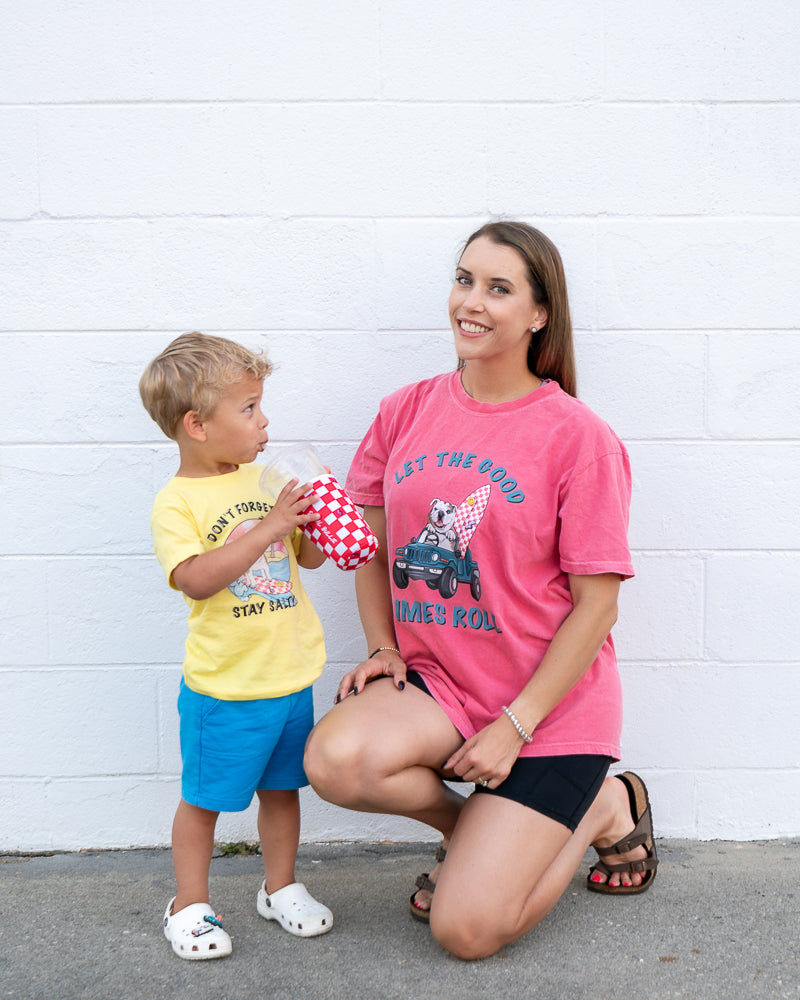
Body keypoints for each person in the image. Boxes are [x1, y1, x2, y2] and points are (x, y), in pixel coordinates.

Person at [303, 221, 658, 960]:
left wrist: (517, 726)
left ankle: (600, 806)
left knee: (464, 931)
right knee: (335, 759)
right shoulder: (406, 409)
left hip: (549, 709)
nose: (471, 301)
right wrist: (382, 646)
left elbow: (598, 605)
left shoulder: (577, 437)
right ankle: (476, 832)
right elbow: (370, 545)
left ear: (538, 315)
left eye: (499, 288)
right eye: (465, 279)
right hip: (443, 686)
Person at [139, 332, 333, 961]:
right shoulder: (177, 502)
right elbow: (194, 578)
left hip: (288, 678)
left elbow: (303, 557)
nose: (264, 420)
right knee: (206, 803)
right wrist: (272, 523)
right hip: (226, 689)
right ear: (196, 425)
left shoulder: (262, 479)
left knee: (282, 792)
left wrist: (318, 523)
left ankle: (280, 887)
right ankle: (188, 905)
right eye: (248, 408)